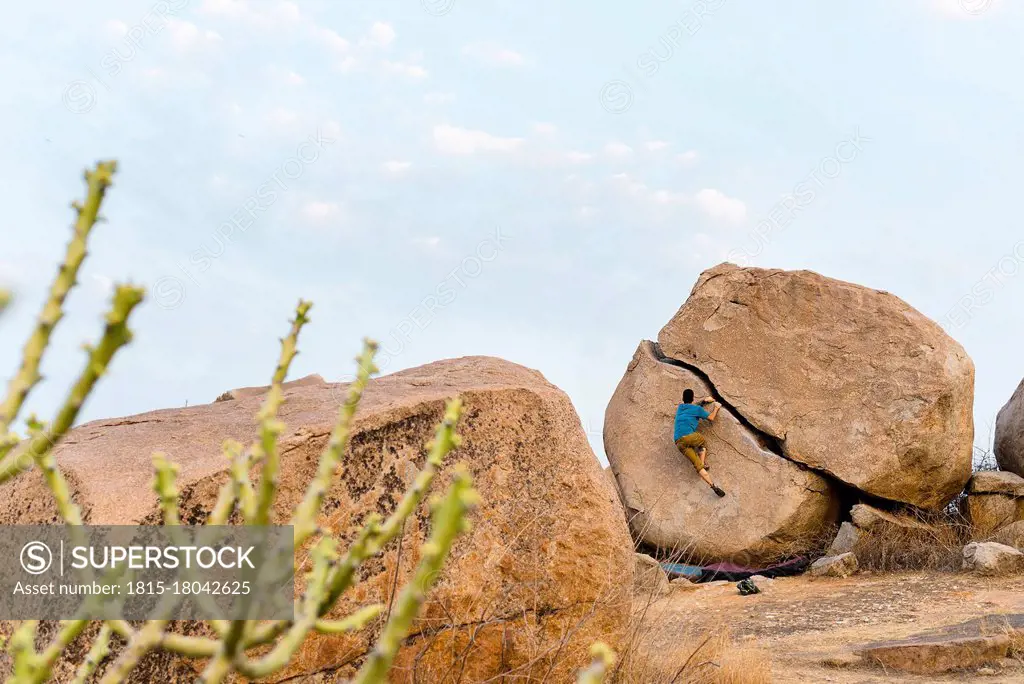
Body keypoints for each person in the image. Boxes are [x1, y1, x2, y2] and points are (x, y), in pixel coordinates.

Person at [673, 388, 726, 497]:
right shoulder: (697, 409)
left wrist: (704, 401)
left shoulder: (680, 408)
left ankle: (713, 485)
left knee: (698, 467)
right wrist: (716, 407)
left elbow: (693, 407)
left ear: (683, 399)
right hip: (690, 437)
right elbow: (711, 418)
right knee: (702, 442)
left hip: (678, 441)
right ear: (692, 398)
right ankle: (702, 462)